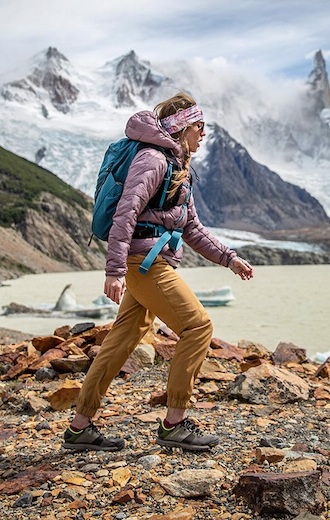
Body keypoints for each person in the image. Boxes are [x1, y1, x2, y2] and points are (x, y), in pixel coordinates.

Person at [62, 92, 254, 452]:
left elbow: (192, 228)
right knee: (198, 327)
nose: (204, 134)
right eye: (201, 126)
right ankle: (174, 424)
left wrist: (229, 258)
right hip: (142, 263)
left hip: (150, 261)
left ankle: (80, 427)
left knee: (122, 339)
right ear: (183, 126)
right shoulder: (153, 161)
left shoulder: (178, 166)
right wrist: (115, 270)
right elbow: (126, 212)